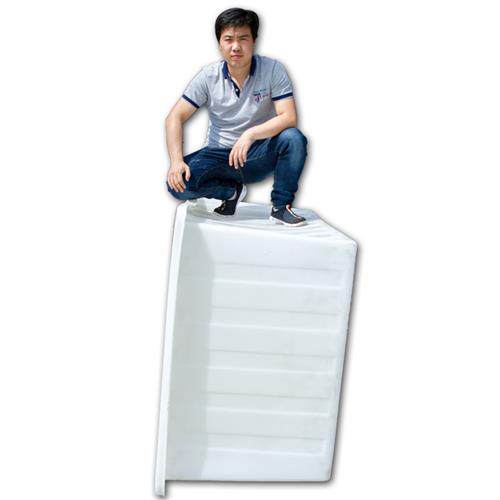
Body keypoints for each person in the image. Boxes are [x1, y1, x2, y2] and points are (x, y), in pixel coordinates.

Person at [165, 8, 308, 226]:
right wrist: (176, 162)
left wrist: (250, 134)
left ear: (254, 41)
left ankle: (280, 207)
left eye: (243, 38)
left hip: (257, 155)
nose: (236, 46)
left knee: (293, 138)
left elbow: (288, 117)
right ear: (219, 43)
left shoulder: (273, 69)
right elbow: (174, 117)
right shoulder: (208, 76)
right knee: (177, 184)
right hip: (218, 155)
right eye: (228, 39)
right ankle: (230, 192)